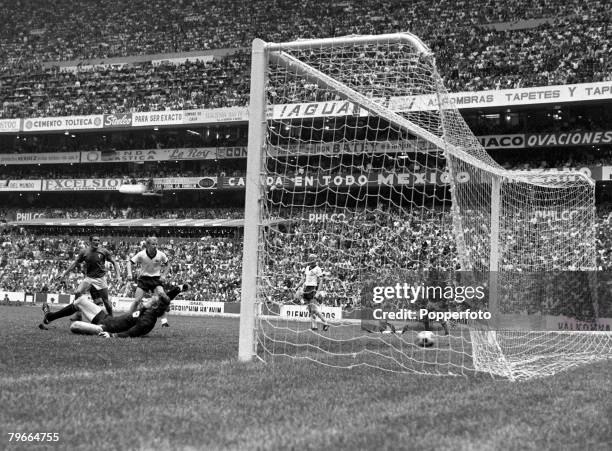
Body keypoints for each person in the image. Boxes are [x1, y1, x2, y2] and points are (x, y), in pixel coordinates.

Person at [40, 284, 188, 338]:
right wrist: (178, 289)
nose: (148, 299)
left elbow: (134, 332)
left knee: (74, 326)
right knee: (80, 300)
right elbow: (164, 298)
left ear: (155, 306)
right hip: (106, 319)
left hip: (104, 327)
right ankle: (50, 317)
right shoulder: (149, 309)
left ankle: (56, 318)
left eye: (151, 299)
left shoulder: (148, 320)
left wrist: (113, 335)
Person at [58, 235, 121, 316]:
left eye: (98, 240)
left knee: (106, 302)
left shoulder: (104, 251)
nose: (97, 242)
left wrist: (118, 276)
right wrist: (64, 273)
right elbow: (75, 263)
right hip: (89, 278)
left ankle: (112, 319)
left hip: (100, 279)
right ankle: (78, 314)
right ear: (90, 241)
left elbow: (114, 262)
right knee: (77, 292)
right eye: (95, 240)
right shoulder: (84, 252)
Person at [127, 236, 171, 327]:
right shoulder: (141, 254)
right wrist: (129, 273)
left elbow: (168, 264)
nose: (155, 246)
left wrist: (164, 275)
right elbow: (129, 263)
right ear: (147, 245)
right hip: (144, 279)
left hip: (156, 279)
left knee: (162, 296)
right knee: (136, 301)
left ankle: (164, 322)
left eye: (156, 244)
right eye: (153, 244)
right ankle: (128, 318)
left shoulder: (161, 254)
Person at [297, 254, 329, 331]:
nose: (311, 260)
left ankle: (325, 322)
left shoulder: (318, 269)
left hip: (313, 289)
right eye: (310, 259)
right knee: (310, 309)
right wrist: (297, 287)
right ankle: (314, 326)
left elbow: (321, 281)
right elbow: (303, 279)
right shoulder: (307, 268)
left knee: (314, 309)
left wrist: (318, 292)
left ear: (315, 260)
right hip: (306, 289)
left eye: (313, 259)